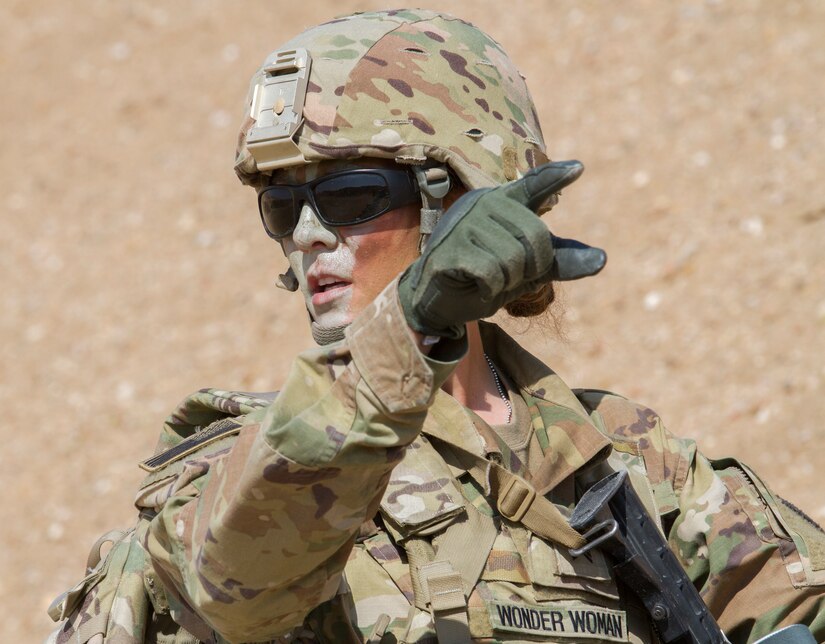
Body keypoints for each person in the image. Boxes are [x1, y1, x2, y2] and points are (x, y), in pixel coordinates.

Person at [48, 9, 825, 644]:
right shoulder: (245, 462)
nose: (309, 236)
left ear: (461, 196)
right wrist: (409, 322)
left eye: (353, 196)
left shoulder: (634, 468)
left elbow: (795, 599)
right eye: (283, 208)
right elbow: (232, 587)